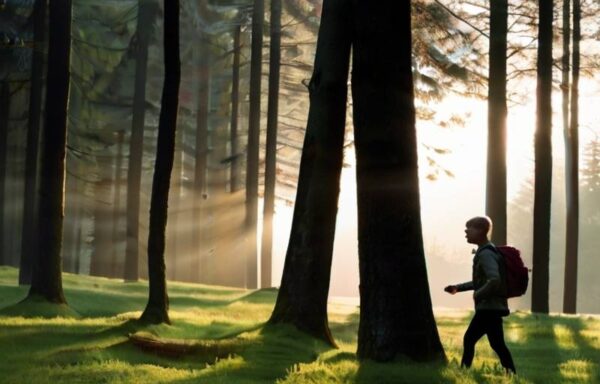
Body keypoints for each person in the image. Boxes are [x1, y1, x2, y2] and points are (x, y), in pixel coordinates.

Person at [444, 216, 516, 374]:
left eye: (469, 228)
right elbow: (482, 281)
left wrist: (478, 295)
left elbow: (494, 279)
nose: (465, 232)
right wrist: (458, 288)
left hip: (488, 308)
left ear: (481, 231)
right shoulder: (487, 251)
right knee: (497, 344)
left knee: (469, 339)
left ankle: (464, 372)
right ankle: (511, 373)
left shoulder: (486, 254)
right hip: (493, 307)